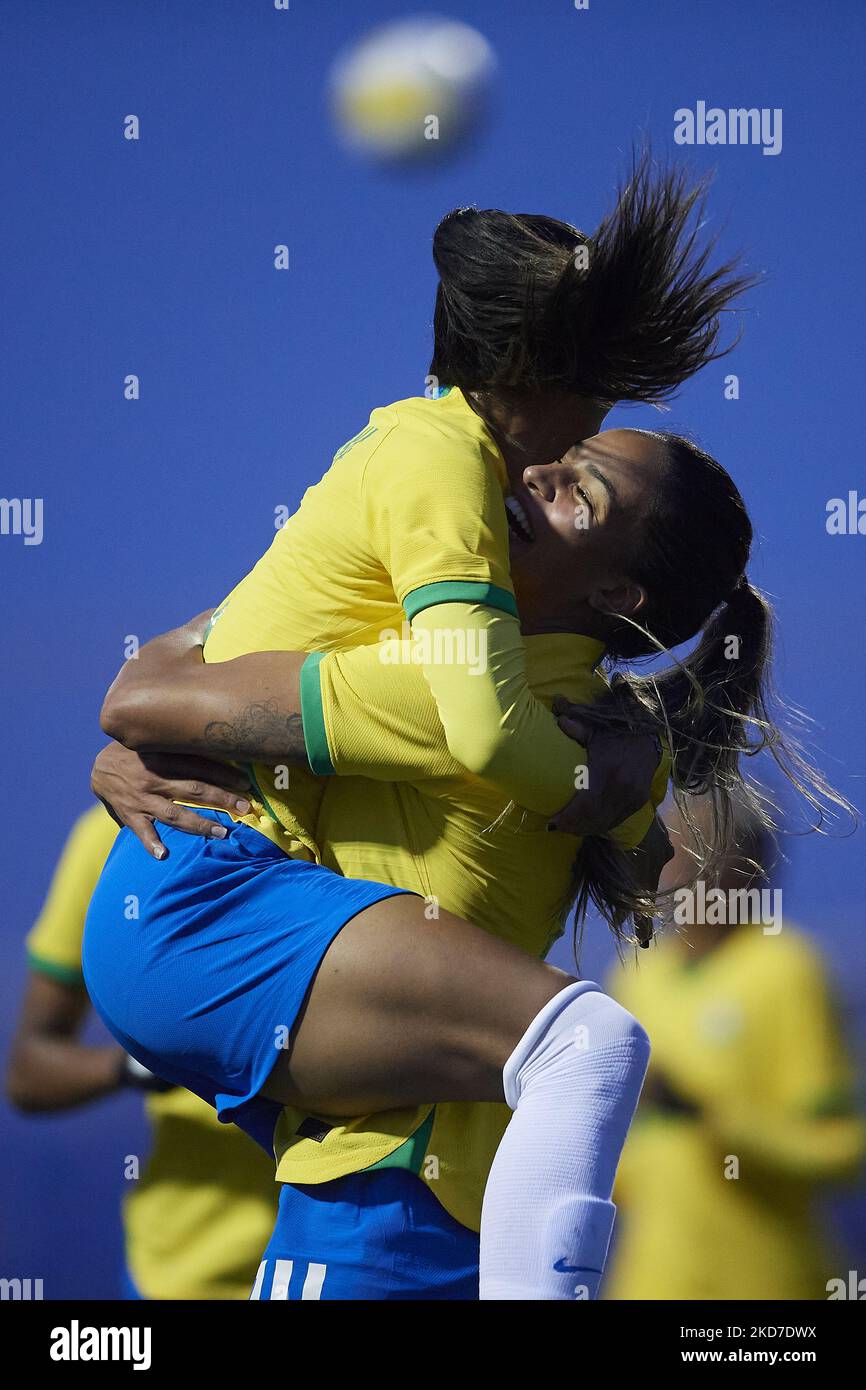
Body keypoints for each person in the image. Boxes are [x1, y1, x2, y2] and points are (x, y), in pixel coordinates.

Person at [88, 422, 840, 1299]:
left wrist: (135, 739)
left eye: (581, 494)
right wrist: (143, 750)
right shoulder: (591, 717)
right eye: (562, 457)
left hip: (381, 1204)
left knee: (589, 1041)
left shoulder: (459, 689)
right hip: (469, 1198)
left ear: (617, 589)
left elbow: (149, 697)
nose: (541, 472)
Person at [6, 803, 279, 1300]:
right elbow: (29, 1071)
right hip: (187, 1276)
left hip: (359, 1262)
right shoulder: (115, 835)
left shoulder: (370, 820)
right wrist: (142, 1063)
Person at [605, 793, 865, 1300]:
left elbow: (841, 1148)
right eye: (662, 847)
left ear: (745, 871)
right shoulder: (636, 977)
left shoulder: (788, 972)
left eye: (685, 850)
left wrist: (706, 1115)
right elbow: (628, 1157)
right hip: (651, 1282)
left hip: (765, 1287)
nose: (663, 864)